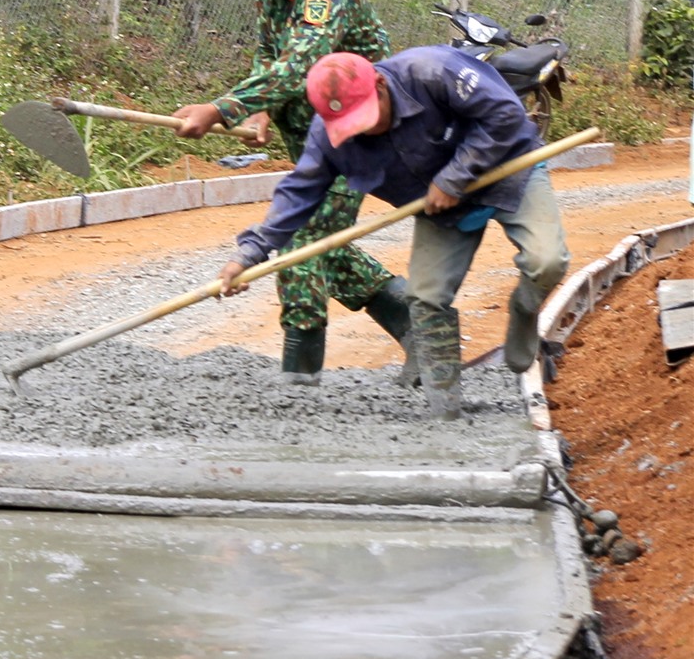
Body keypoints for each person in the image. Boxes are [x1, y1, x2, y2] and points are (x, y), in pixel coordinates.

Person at [217, 48, 569, 419]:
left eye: (365, 117)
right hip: (442, 207)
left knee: (545, 261)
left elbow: (506, 115)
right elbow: (297, 194)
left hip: (510, 170)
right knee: (427, 298)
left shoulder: (433, 72)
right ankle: (445, 413)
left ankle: (524, 312)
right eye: (351, 124)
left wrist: (454, 177)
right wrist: (248, 254)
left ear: (381, 85)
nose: (364, 130)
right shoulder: (328, 136)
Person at [172, 0, 411, 383]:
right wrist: (259, 110)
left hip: (361, 135)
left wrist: (222, 108)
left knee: (302, 243)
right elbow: (269, 52)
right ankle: (417, 323)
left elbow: (302, 65)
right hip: (309, 138)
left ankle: (299, 380)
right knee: (321, 245)